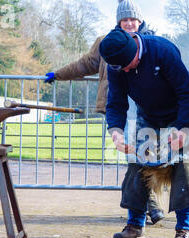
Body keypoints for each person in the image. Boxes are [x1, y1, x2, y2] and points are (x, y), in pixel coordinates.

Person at [44, 0, 165, 225]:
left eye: (133, 19)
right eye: (124, 19)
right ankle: (148, 206)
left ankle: (148, 207)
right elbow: (84, 64)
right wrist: (58, 74)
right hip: (120, 109)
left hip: (146, 110)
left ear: (140, 20)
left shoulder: (153, 41)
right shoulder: (106, 43)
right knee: (135, 157)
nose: (129, 23)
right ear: (118, 21)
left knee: (145, 156)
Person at [99, 28, 189, 238]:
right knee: (137, 165)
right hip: (149, 115)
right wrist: (116, 132)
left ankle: (184, 229)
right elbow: (115, 102)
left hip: (178, 114)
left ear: (135, 48)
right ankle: (135, 226)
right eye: (120, 67)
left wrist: (182, 129)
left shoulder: (162, 51)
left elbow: (186, 92)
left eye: (128, 64)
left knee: (183, 168)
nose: (125, 69)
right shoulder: (116, 66)